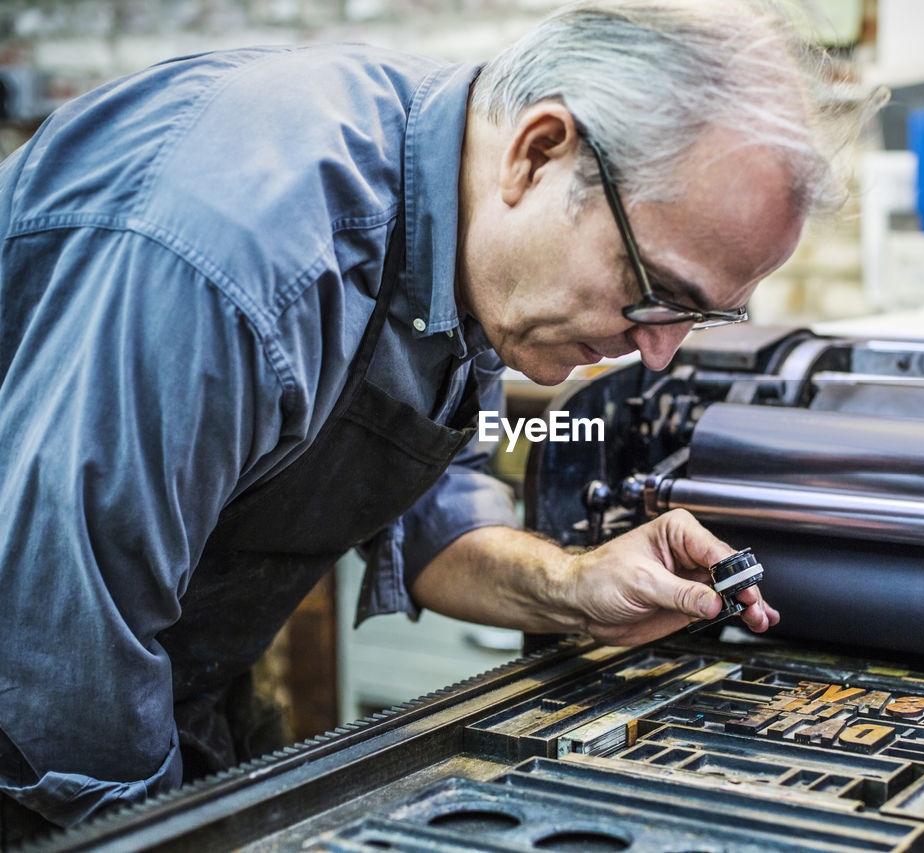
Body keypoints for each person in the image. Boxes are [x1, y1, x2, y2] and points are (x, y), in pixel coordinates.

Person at [0, 0, 862, 841]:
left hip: (169, 684)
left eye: (700, 316)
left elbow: (427, 501)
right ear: (539, 153)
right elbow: (56, 652)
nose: (661, 352)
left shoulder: (461, 214)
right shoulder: (244, 259)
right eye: (656, 294)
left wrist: (574, 587)